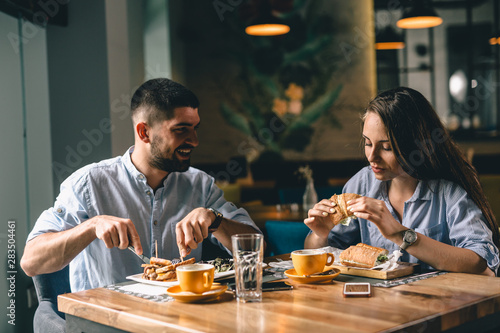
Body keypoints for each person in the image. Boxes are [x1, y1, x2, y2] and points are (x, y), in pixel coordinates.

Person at [21, 78, 261, 291]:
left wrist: (215, 219)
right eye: (181, 130)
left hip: (182, 319)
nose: (195, 141)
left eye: (195, 128)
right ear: (144, 132)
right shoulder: (89, 184)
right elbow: (31, 262)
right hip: (106, 323)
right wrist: (91, 226)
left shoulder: (200, 184)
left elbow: (255, 250)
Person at [304, 87, 499, 276]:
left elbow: (479, 260)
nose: (372, 157)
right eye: (368, 143)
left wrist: (399, 234)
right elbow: (324, 253)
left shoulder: (449, 193)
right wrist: (320, 234)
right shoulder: (361, 183)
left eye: (386, 147)